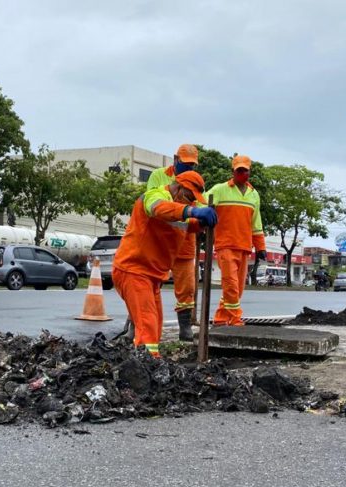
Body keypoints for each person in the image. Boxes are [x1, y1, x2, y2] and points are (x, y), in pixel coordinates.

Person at [112, 170, 217, 357]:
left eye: (194, 199)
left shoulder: (180, 208)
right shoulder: (155, 195)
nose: (191, 202)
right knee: (148, 327)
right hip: (133, 270)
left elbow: (186, 223)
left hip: (152, 275)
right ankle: (144, 371)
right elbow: (160, 209)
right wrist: (191, 211)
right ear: (178, 188)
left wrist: (201, 222)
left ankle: (146, 365)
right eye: (189, 196)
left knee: (155, 326)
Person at [145, 144, 201, 341]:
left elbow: (198, 206)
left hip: (184, 242)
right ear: (175, 159)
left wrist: (201, 218)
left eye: (192, 165)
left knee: (187, 287)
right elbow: (153, 206)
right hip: (160, 241)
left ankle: (185, 327)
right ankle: (136, 324)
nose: (188, 168)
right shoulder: (159, 176)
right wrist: (186, 211)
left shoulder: (194, 180)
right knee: (148, 284)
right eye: (185, 164)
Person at [206, 155, 267, 326]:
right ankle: (235, 318)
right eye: (238, 170)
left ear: (249, 171)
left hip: (244, 246)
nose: (241, 173)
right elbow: (202, 203)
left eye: (244, 170)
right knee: (231, 284)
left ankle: (220, 318)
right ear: (232, 171)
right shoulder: (219, 189)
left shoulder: (254, 194)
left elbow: (256, 223)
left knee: (238, 288)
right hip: (225, 245)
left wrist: (260, 247)